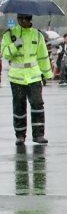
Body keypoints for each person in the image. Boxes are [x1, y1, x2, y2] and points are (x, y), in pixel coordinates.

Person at [1, 14, 54, 145]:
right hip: (17, 77)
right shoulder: (10, 34)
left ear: (30, 20)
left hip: (34, 76)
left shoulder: (37, 35)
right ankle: (20, 135)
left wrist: (47, 75)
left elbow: (43, 56)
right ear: (18, 20)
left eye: (27, 19)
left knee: (37, 104)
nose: (24, 21)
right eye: (21, 19)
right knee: (19, 107)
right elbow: (5, 53)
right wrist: (16, 44)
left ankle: (38, 135)